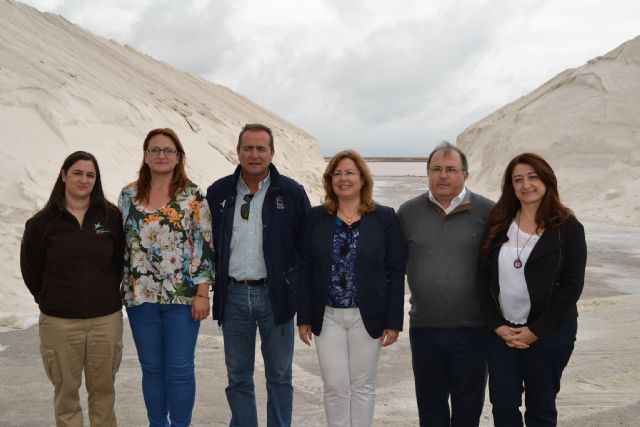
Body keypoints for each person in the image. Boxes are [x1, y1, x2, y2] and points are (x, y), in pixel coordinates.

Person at [206, 123, 311, 427]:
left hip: (275, 296)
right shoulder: (219, 192)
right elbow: (206, 242)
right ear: (238, 151)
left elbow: (306, 249)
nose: (254, 154)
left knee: (279, 376)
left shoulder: (291, 192)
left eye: (261, 148)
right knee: (237, 376)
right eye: (248, 148)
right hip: (233, 295)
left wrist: (299, 296)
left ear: (272, 153)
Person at [477, 153, 587, 426]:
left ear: (547, 180)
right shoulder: (498, 223)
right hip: (502, 333)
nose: (526, 184)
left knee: (541, 408)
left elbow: (571, 287)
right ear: (511, 187)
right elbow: (482, 277)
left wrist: (536, 331)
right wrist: (496, 325)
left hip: (549, 333)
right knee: (503, 406)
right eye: (518, 179)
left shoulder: (568, 228)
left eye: (533, 177)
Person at [297, 150, 406, 427]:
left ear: (362, 179)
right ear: (330, 179)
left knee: (362, 386)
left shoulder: (384, 217)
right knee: (334, 386)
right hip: (328, 315)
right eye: (337, 173)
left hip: (367, 315)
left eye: (350, 173)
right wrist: (305, 317)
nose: (343, 179)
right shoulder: (315, 218)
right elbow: (306, 268)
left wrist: (393, 320)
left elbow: (395, 270)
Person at [20, 151, 124, 427]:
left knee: (104, 393)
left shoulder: (111, 217)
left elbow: (119, 263)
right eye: (77, 173)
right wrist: (49, 298)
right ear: (64, 175)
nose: (84, 179)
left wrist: (108, 295)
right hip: (59, 324)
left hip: (105, 321)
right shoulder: (41, 224)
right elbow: (31, 269)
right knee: (66, 395)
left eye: (90, 175)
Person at [119, 128, 215, 427]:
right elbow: (120, 243)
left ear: (178, 157)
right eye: (155, 150)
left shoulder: (193, 195)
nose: (161, 155)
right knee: (152, 369)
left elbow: (204, 244)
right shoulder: (128, 195)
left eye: (168, 150)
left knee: (181, 369)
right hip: (140, 297)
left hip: (182, 299)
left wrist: (202, 293)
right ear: (145, 155)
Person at [397, 141, 494, 427]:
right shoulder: (408, 213)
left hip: (473, 329)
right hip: (425, 328)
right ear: (427, 173)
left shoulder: (488, 212)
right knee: (430, 408)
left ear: (465, 174)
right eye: (436, 169)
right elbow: (394, 268)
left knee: (468, 407)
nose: (443, 176)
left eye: (451, 169)